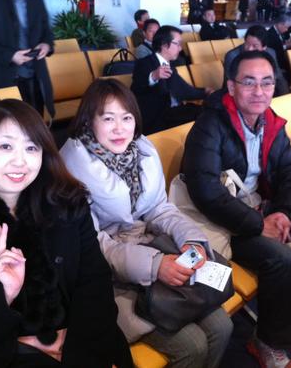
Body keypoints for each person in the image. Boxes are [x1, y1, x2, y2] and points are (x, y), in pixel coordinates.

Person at [0, 99, 133, 367]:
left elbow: (95, 283)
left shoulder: (67, 202)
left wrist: (76, 348)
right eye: (5, 146)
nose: (20, 161)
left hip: (85, 339)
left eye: (31, 147)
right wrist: (3, 294)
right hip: (7, 355)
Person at [61, 79, 233, 368]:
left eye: (127, 117)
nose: (120, 128)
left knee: (222, 327)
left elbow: (159, 209)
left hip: (151, 249)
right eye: (108, 118)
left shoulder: (140, 152)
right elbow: (93, 245)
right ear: (89, 121)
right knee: (193, 347)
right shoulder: (72, 170)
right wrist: (154, 266)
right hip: (109, 275)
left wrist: (190, 239)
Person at [182, 50, 291, 368]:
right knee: (280, 258)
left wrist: (284, 213)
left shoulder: (270, 122)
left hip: (260, 208)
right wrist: (257, 224)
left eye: (267, 82)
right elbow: (206, 192)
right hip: (224, 221)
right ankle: (267, 341)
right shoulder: (210, 125)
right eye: (249, 82)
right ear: (231, 86)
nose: (259, 91)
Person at [131, 25, 213, 134]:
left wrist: (205, 91)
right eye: (178, 44)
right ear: (165, 45)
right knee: (206, 116)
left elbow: (183, 90)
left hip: (173, 113)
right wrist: (153, 77)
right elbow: (135, 89)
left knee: (209, 112)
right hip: (157, 117)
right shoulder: (145, 63)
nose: (180, 48)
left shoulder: (170, 65)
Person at [223, 24, 288, 96]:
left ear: (264, 48)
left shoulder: (271, 53)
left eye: (255, 46)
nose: (249, 49)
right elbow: (232, 86)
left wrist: (284, 97)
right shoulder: (232, 56)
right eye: (247, 44)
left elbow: (279, 78)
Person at [266, 14, 291, 86]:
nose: (287, 30)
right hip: (277, 61)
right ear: (280, 24)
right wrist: (286, 46)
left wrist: (286, 44)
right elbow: (274, 51)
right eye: (286, 27)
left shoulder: (279, 32)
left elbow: (279, 44)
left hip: (282, 57)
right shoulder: (270, 34)